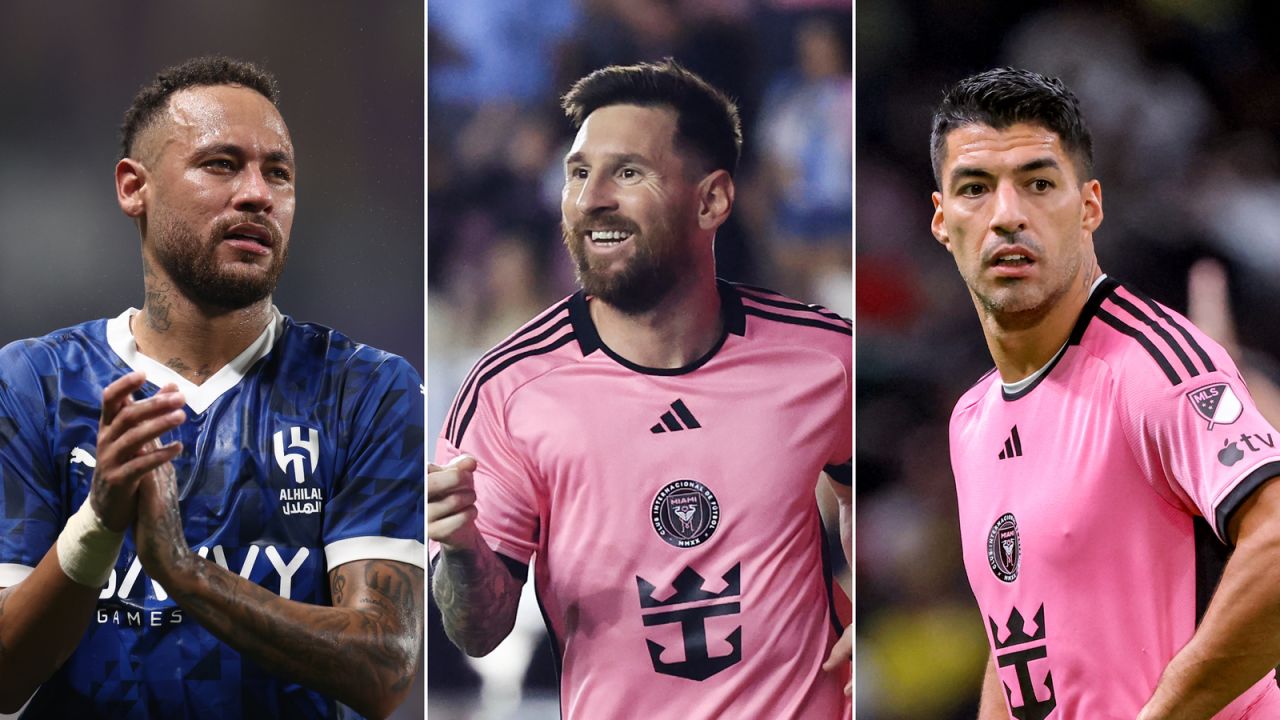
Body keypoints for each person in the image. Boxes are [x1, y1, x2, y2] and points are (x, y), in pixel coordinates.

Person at [0, 57, 424, 718]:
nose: (258, 194)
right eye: (221, 164)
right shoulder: (34, 385)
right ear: (133, 188)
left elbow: (385, 669)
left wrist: (183, 570)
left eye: (278, 172)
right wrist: (98, 522)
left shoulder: (366, 390)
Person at [428, 58, 852, 718]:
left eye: (628, 172)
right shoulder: (509, 390)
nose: (592, 196)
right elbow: (478, 631)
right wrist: (459, 550)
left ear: (711, 199)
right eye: (577, 173)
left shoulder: (824, 358)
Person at [929, 67, 1280, 718]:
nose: (1008, 216)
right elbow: (1015, 642)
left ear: (1089, 205)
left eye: (1038, 184)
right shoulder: (971, 419)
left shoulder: (1150, 365)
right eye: (975, 189)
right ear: (943, 221)